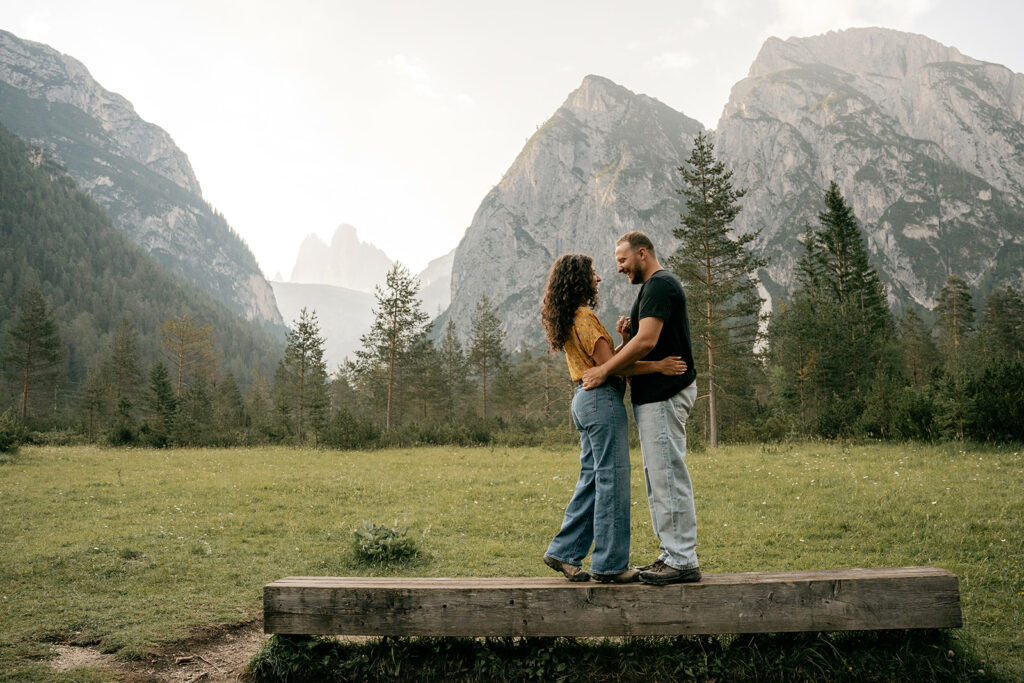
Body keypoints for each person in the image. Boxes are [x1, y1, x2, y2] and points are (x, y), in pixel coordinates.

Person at [540, 253, 686, 583]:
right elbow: (614, 369)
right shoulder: (585, 317)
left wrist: (622, 342)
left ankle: (564, 551)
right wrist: (658, 366)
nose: (599, 278)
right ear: (578, 278)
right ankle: (611, 565)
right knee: (613, 480)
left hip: (583, 401)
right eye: (592, 273)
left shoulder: (570, 317)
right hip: (601, 402)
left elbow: (604, 363)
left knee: (592, 478)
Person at [582, 232, 700, 585]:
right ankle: (671, 552)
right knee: (658, 477)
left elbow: (647, 341)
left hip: (665, 395)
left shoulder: (659, 286)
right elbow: (645, 342)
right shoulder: (652, 290)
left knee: (666, 475)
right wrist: (625, 339)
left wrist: (604, 369)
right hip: (654, 397)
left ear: (642, 253)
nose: (618, 268)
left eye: (622, 260)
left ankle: (681, 559)